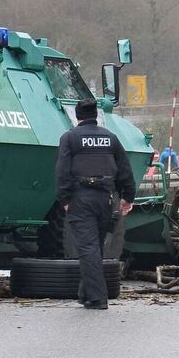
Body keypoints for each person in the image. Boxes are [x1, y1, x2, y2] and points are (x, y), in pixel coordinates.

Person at [55, 99, 136, 309]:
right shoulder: (111, 138)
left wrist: (64, 199)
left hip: (81, 198)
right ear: (96, 116)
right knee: (94, 247)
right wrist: (128, 196)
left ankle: (98, 298)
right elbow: (125, 169)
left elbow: (62, 171)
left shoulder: (70, 138)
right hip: (106, 199)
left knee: (88, 247)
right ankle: (85, 293)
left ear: (77, 116)